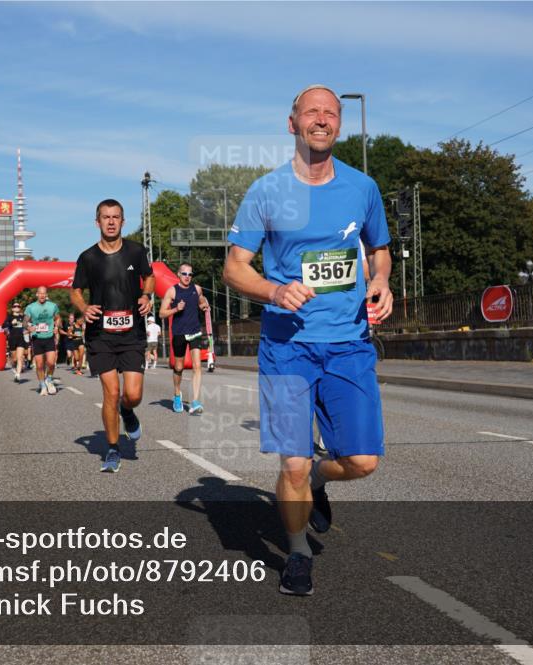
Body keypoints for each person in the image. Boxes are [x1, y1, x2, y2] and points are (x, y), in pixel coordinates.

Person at [223, 85, 394, 596]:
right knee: (291, 461)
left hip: (349, 344)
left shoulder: (363, 188)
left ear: (339, 125)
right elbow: (234, 269)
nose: (321, 119)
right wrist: (274, 290)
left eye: (331, 113)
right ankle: (297, 553)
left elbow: (379, 252)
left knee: (362, 461)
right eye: (311, 112)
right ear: (292, 122)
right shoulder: (266, 191)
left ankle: (320, 479)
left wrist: (381, 282)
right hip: (287, 346)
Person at [71, 199, 153, 473]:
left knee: (132, 395)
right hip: (100, 335)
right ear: (97, 222)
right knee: (112, 391)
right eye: (105, 217)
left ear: (122, 221)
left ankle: (127, 412)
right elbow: (75, 291)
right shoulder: (88, 258)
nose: (110, 221)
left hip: (132, 333)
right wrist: (84, 308)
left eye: (115, 217)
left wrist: (146, 295)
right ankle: (113, 450)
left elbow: (149, 277)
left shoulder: (136, 251)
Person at [159, 263, 210, 413]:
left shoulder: (197, 289)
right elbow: (162, 313)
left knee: (197, 366)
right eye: (184, 274)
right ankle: (177, 395)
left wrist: (204, 305)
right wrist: (175, 309)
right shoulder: (172, 291)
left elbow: (202, 301)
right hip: (179, 333)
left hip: (194, 331)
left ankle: (195, 401)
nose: (187, 277)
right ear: (179, 275)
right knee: (179, 367)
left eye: (190, 274)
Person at [24, 287, 61, 395]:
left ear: (46, 295)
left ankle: (49, 380)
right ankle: (42, 385)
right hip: (37, 338)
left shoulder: (52, 306)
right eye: (40, 293)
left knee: (51, 362)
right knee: (39, 365)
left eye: (44, 293)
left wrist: (56, 327)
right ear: (37, 294)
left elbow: (58, 318)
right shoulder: (31, 307)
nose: (42, 295)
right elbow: (25, 322)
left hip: (49, 337)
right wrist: (29, 328)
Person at [1, 302, 29, 382]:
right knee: (15, 359)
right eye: (15, 306)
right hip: (12, 339)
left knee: (20, 357)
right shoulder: (9, 317)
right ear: (12, 308)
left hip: (21, 339)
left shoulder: (23, 317)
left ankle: (18, 375)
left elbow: (28, 323)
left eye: (18, 306)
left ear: (20, 308)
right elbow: (3, 326)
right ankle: (14, 367)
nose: (17, 307)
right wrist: (10, 323)